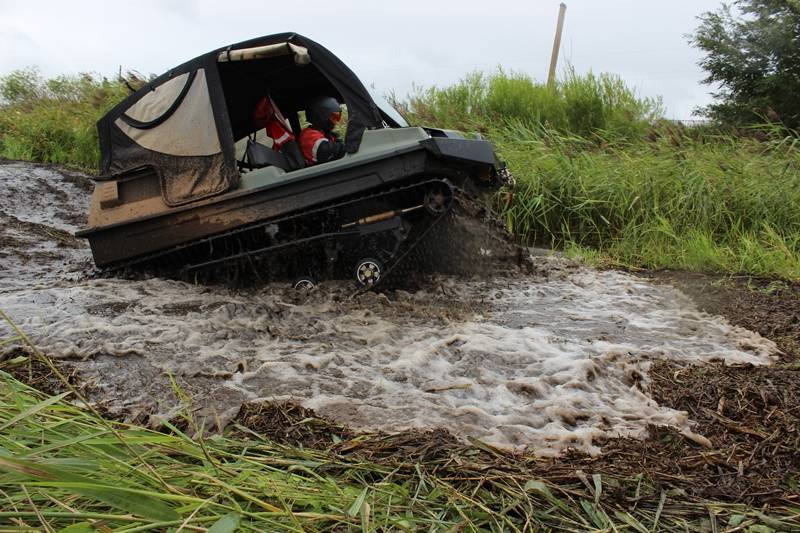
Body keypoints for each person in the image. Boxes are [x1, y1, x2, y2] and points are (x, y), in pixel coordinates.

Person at [298, 96, 346, 166]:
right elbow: (325, 150)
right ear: (321, 116)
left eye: (338, 117)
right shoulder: (308, 135)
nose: (335, 122)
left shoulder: (326, 134)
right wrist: (348, 145)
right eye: (333, 117)